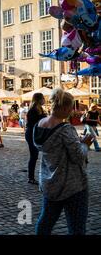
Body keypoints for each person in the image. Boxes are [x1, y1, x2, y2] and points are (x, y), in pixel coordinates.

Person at [34, 88, 91, 235]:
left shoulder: (39, 125)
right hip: (73, 186)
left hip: (49, 183)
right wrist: (85, 144)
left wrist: (75, 143)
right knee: (76, 227)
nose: (71, 111)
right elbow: (78, 156)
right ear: (65, 107)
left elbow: (56, 147)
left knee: (45, 222)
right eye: (71, 107)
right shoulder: (66, 129)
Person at [25, 93, 47, 185]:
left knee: (35, 156)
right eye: (43, 98)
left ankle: (33, 177)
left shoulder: (39, 109)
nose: (44, 100)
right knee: (33, 156)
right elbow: (33, 123)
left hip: (36, 133)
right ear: (39, 99)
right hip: (31, 134)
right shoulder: (33, 110)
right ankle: (31, 178)